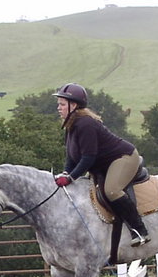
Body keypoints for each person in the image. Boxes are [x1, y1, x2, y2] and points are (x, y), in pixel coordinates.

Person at [52, 82, 151, 247]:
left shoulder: (85, 124)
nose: (58, 108)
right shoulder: (70, 125)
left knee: (111, 191)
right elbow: (71, 157)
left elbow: (88, 158)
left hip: (124, 157)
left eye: (62, 104)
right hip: (105, 164)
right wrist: (65, 173)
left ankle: (139, 230)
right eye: (59, 104)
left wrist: (71, 178)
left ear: (73, 105)